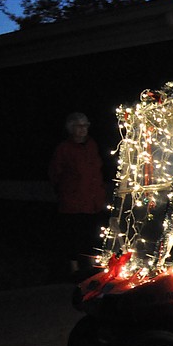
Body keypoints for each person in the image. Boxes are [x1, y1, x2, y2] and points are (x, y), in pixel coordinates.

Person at [49, 112, 106, 281]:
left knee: (92, 235)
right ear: (71, 128)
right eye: (79, 126)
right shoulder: (64, 149)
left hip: (93, 200)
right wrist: (65, 191)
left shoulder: (92, 145)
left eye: (85, 125)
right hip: (73, 202)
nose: (83, 129)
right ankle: (74, 269)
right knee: (73, 236)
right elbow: (55, 173)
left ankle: (92, 267)